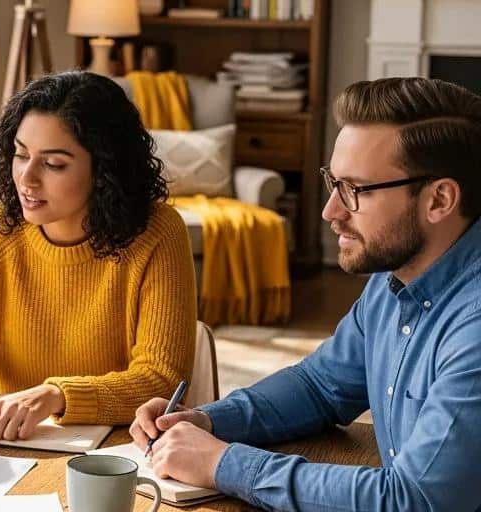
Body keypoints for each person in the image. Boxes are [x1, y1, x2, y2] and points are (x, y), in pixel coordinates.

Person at [130, 77, 481, 511]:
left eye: (355, 190)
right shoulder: (395, 278)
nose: (330, 211)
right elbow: (321, 385)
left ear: (439, 199)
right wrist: (207, 420)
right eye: (333, 182)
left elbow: (413, 501)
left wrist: (223, 462)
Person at [0, 71, 197, 445]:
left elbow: (161, 379)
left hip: (120, 449)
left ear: (105, 170)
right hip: (15, 445)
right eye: (21, 154)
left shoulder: (158, 232)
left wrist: (57, 395)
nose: (26, 178)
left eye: (54, 164)